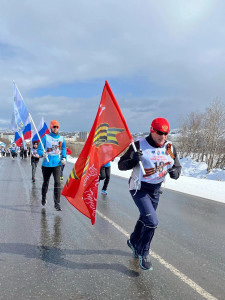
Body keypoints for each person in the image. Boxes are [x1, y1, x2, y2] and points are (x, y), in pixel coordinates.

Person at [118, 117, 181, 271]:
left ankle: (133, 241)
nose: (163, 136)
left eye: (166, 133)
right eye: (160, 132)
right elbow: (121, 165)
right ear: (152, 130)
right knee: (152, 222)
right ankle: (143, 252)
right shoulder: (139, 144)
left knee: (145, 218)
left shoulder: (170, 147)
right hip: (139, 188)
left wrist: (175, 173)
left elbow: (177, 167)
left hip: (155, 189)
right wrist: (133, 159)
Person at [37, 120, 66, 211]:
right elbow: (39, 149)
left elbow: (64, 148)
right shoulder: (46, 137)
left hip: (57, 163)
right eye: (54, 127)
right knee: (46, 182)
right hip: (47, 164)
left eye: (57, 127)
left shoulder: (61, 138)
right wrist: (42, 153)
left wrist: (64, 157)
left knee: (57, 182)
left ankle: (57, 203)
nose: (56, 128)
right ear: (51, 127)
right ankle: (43, 197)